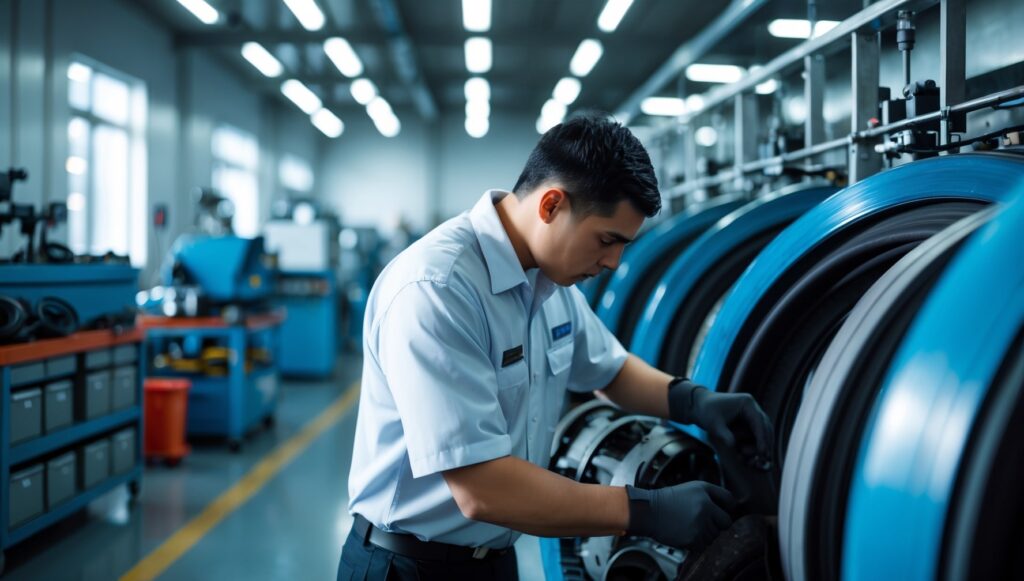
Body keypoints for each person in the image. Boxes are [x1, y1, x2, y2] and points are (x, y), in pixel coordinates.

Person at [339, 113, 774, 580]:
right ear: (551, 205)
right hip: (405, 566)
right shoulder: (438, 289)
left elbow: (610, 371)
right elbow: (480, 488)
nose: (612, 262)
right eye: (607, 240)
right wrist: (642, 510)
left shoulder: (550, 286)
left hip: (492, 561)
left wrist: (695, 401)